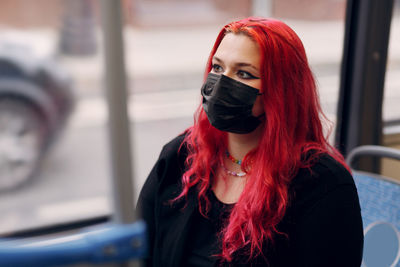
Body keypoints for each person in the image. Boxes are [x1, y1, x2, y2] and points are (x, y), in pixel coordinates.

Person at [137, 17, 364, 267]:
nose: (222, 83)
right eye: (217, 68)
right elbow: (138, 252)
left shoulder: (322, 184)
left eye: (244, 73)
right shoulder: (180, 156)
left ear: (282, 91)